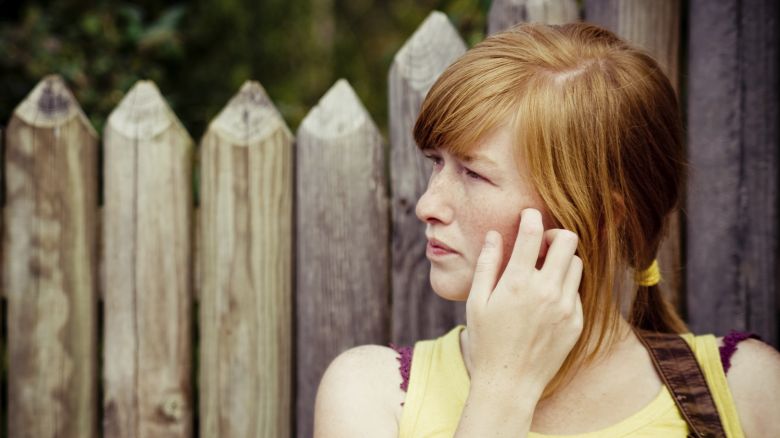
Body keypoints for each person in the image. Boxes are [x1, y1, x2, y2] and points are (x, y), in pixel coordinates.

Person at [313, 22, 780, 437]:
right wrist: (504, 389)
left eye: (474, 174)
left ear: (602, 214)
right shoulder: (371, 396)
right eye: (438, 163)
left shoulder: (747, 393)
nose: (426, 205)